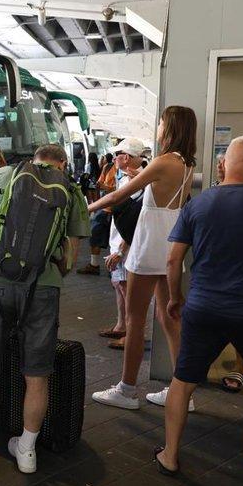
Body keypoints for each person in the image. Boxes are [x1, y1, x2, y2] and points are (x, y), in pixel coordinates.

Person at [154, 135, 243, 477]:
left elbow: (173, 261)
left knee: (183, 380)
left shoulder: (197, 206)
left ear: (225, 164)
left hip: (202, 308)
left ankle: (170, 455)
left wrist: (175, 298)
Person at [0, 145, 89, 478]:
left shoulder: (1, 175)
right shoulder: (70, 191)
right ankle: (26, 450)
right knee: (37, 374)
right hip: (43, 286)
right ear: (61, 163)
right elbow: (71, 256)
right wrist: (48, 275)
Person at [89, 106, 196, 410]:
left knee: (136, 320)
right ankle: (182, 392)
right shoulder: (186, 164)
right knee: (169, 318)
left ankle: (126, 390)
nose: (159, 128)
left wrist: (84, 210)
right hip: (171, 245)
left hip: (148, 245)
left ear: (170, 127)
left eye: (162, 123)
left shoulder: (163, 162)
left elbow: (115, 196)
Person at [97, 139, 144, 349]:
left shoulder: (136, 182)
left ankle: (131, 336)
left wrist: (120, 250)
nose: (114, 159)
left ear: (126, 157)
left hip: (125, 246)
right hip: (120, 243)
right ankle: (121, 326)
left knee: (127, 289)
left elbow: (135, 219)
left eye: (117, 155)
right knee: (118, 284)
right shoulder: (129, 178)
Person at [77, 152, 106, 274]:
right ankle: (95, 265)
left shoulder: (93, 166)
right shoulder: (103, 168)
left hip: (107, 208)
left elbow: (103, 185)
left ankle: (95, 265)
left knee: (96, 233)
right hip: (105, 206)